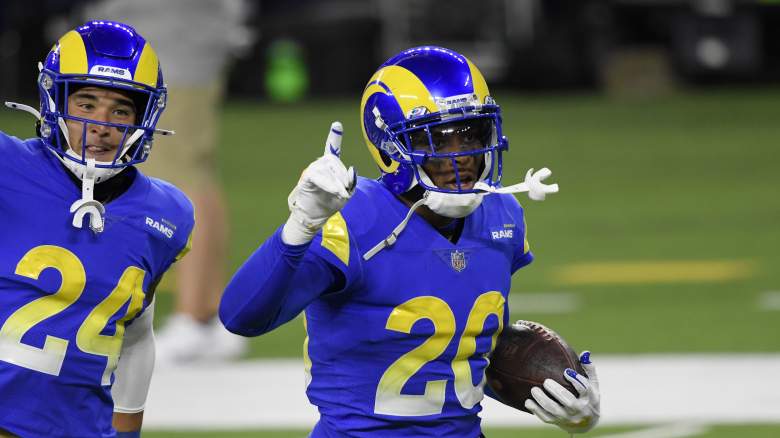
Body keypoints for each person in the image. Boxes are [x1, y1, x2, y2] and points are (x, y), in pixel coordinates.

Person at [219, 46, 600, 436]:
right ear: (392, 147)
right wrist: (299, 228)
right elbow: (241, 317)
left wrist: (564, 401)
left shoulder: (501, 216)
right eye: (437, 138)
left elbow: (466, 355)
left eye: (471, 133)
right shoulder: (354, 219)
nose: (462, 155)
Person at [0, 21, 193, 438]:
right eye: (85, 104)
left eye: (121, 110)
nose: (101, 124)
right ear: (54, 99)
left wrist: (126, 430)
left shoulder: (167, 213)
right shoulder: (7, 166)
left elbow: (136, 331)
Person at [84, 0, 251, 365]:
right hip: (174, 34)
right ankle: (206, 315)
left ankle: (193, 318)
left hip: (171, 35)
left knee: (179, 173)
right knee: (194, 170)